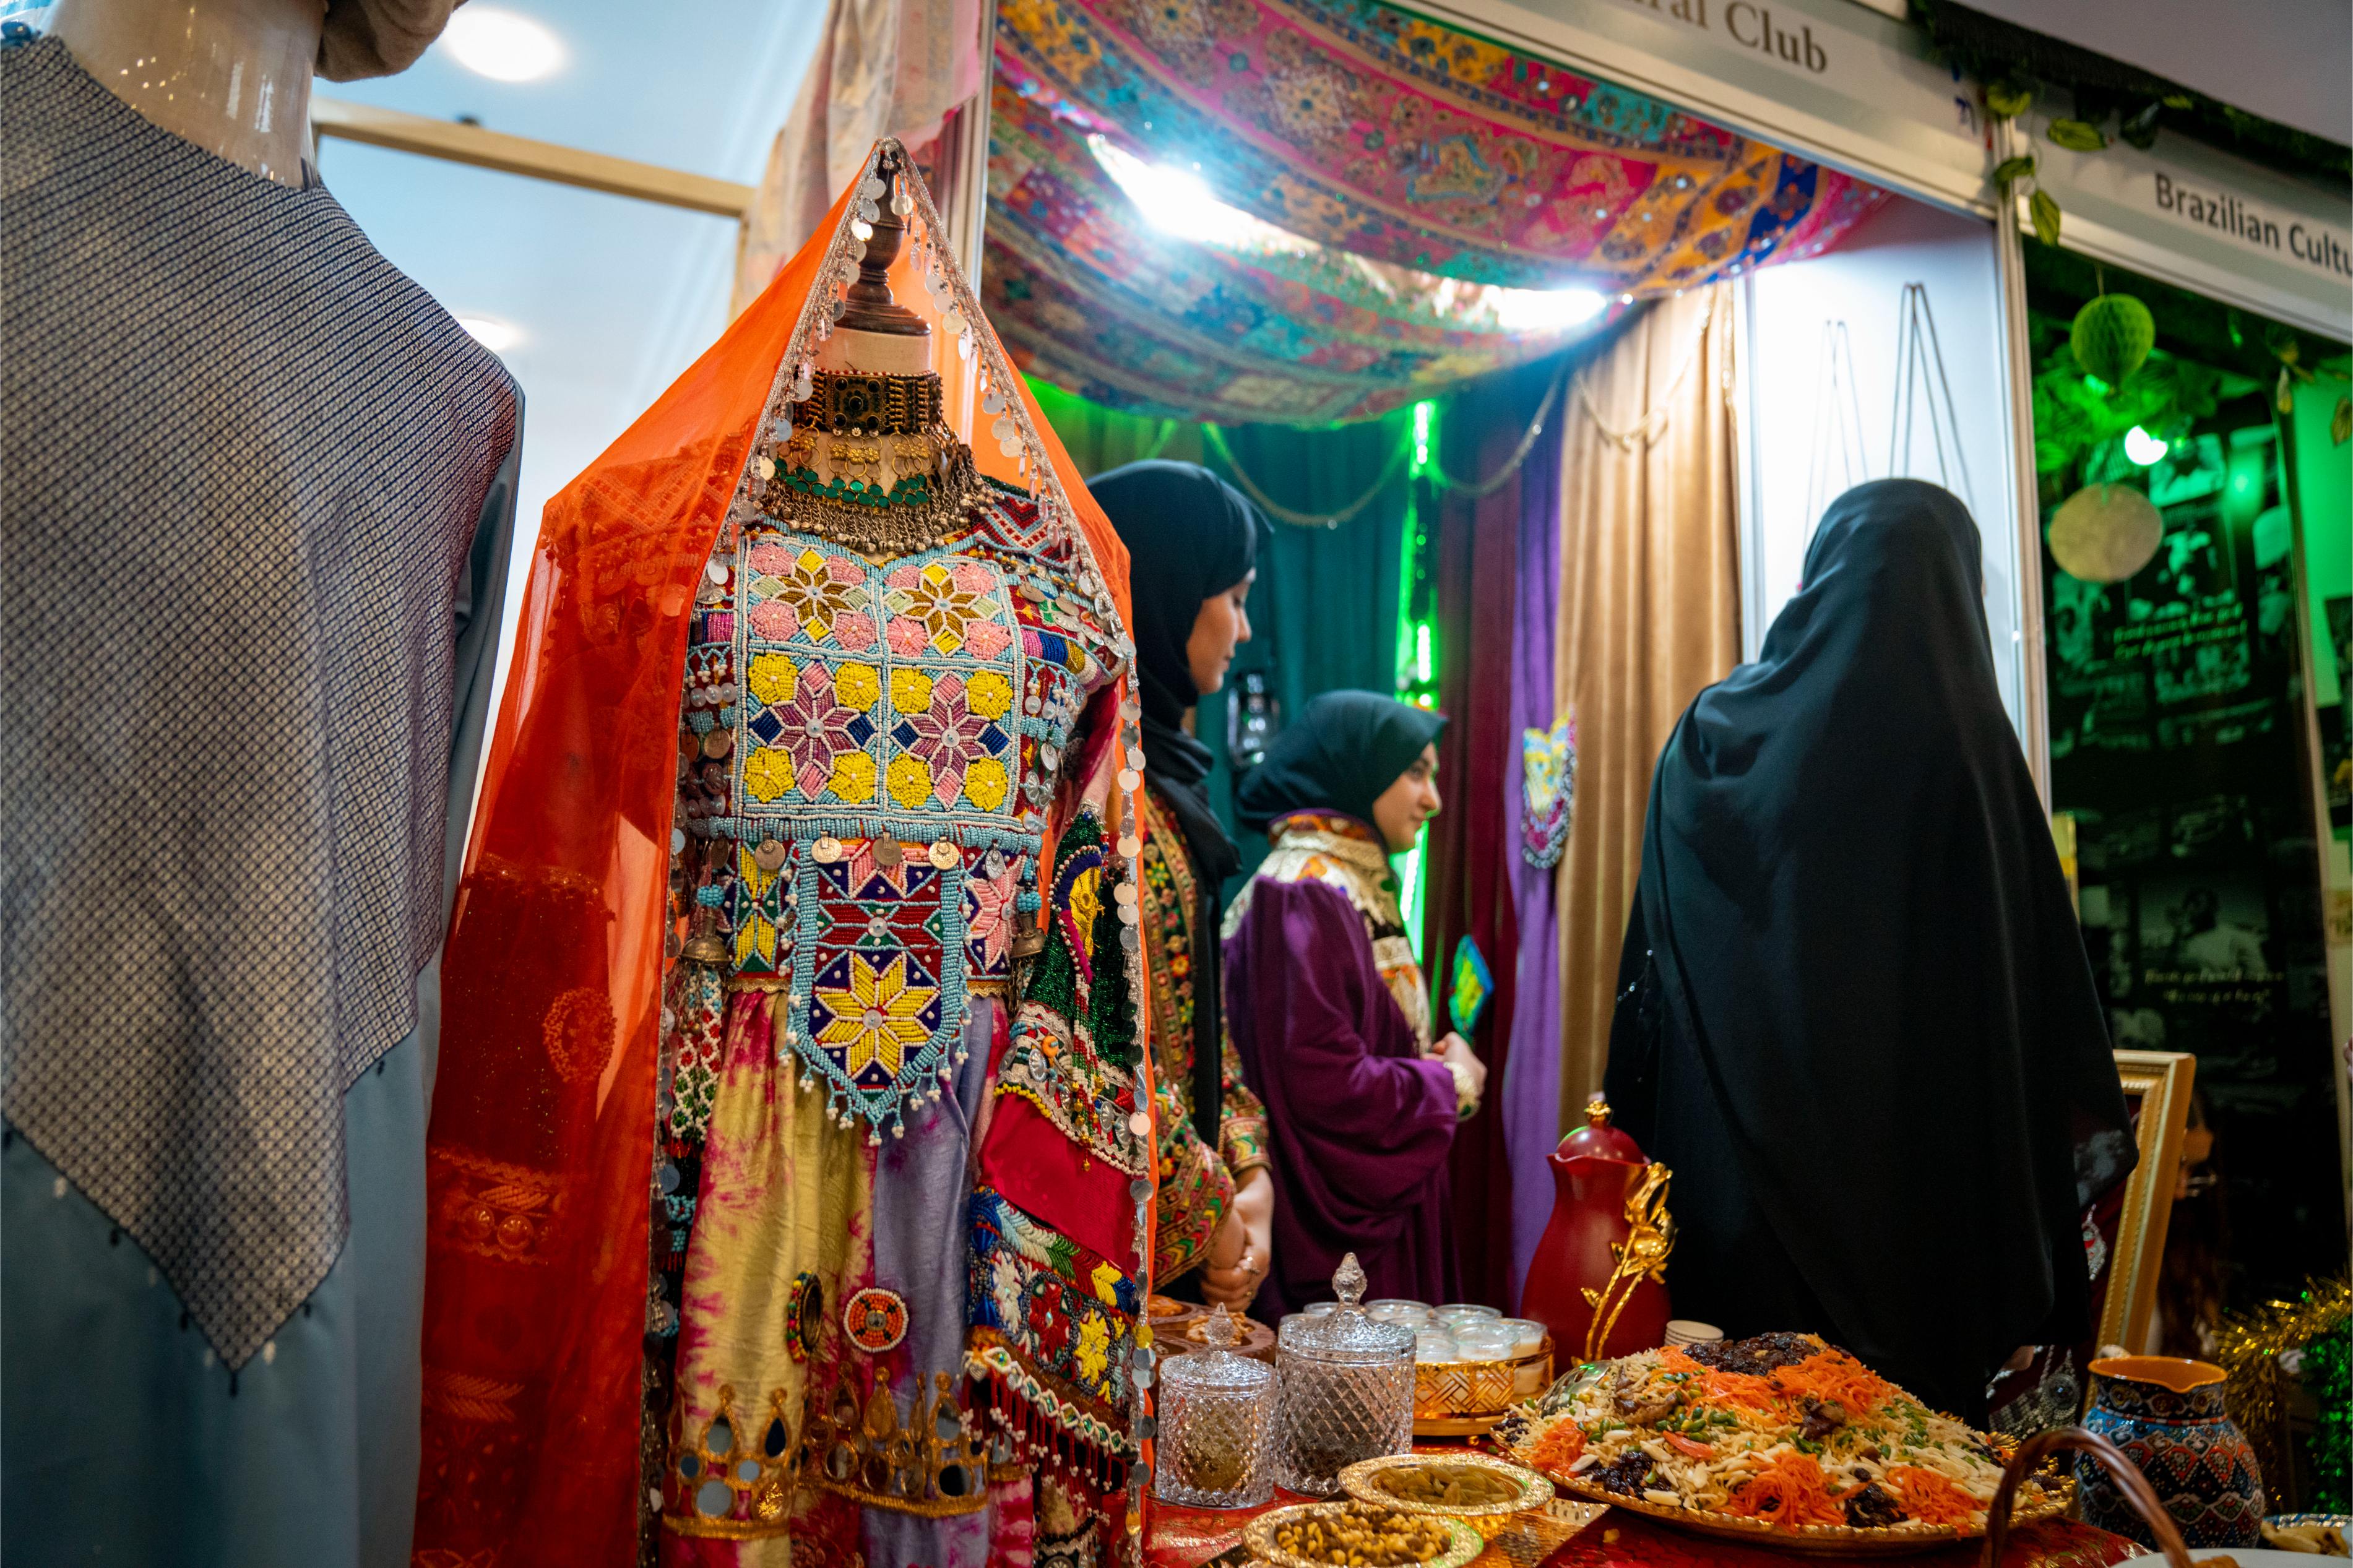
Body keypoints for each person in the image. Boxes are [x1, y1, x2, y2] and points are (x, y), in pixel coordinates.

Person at [1603, 479, 2135, 1423]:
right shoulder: (1969, 751)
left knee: (1720, 1467)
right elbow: (2031, 1009)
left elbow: (1654, 988)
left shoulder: (1711, 743)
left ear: (1817, 582)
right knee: (1906, 1480)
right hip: (1921, 1244)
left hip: (1733, 1230)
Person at [1224, 691, 1487, 1318]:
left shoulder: (1340, 879)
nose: (1433, 799)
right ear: (1358, 767)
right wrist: (1448, 1084)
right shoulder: (1305, 892)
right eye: (1415, 772)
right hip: (1340, 1243)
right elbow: (1324, 1086)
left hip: (1378, 1207)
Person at [1092, 462, 1276, 1313]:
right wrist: (1209, 1208)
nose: (1244, 628)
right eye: (1233, 597)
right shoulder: (1086, 781)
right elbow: (1095, 1029)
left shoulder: (1165, 776)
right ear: (1165, 589)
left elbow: (1201, 1021)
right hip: (1108, 1233)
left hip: (1197, 1235)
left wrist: (1251, 1176)